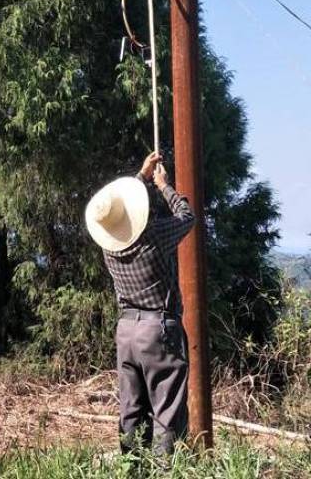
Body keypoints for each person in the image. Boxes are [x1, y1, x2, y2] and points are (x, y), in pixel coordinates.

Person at [85, 151, 195, 455]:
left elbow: (118, 214)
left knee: (131, 409)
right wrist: (163, 186)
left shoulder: (109, 248)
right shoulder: (155, 235)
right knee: (167, 411)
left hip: (127, 332)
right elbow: (187, 217)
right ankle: (165, 471)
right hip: (158, 330)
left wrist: (142, 177)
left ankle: (131, 468)